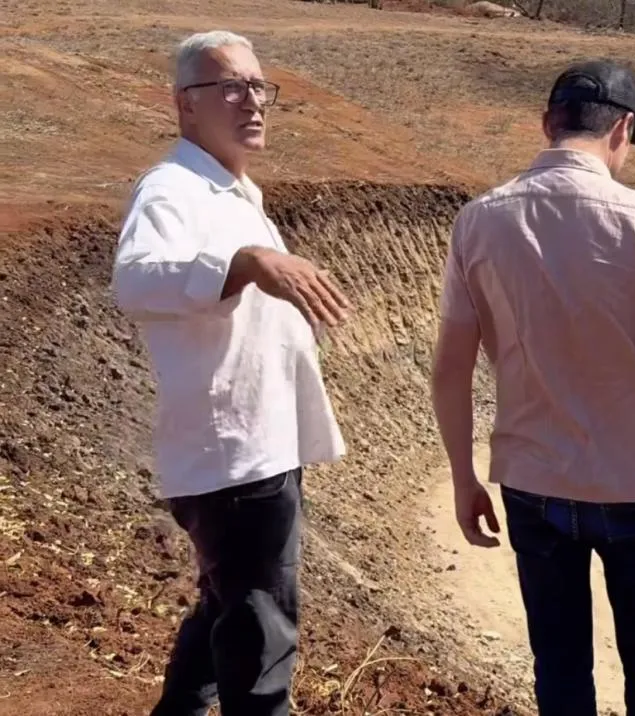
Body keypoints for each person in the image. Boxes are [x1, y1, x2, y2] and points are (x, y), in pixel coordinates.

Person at [430, 59, 635, 715]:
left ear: (547, 125)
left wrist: (463, 477)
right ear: (623, 130)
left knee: (559, 668)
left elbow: (450, 366)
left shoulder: (478, 221)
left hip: (534, 483)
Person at [111, 30, 350, 716]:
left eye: (258, 86)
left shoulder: (232, 191)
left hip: (256, 447)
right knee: (260, 640)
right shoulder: (171, 189)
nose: (254, 101)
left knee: (227, 608)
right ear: (185, 104)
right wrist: (245, 262)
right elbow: (135, 281)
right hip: (235, 457)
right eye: (232, 87)